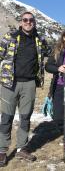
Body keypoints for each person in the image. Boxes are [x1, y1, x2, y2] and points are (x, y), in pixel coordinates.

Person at [0, 12, 48, 167]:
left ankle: (21, 148)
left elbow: (52, 54)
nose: (28, 22)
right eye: (25, 20)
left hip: (29, 84)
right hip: (9, 84)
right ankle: (2, 151)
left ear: (34, 23)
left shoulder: (40, 40)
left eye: (31, 20)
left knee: (25, 117)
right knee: (6, 118)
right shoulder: (11, 37)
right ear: (21, 22)